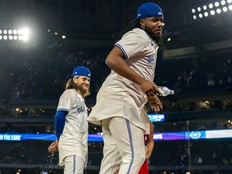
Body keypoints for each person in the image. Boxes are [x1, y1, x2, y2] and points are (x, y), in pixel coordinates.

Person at [87, 2, 164, 174]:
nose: (159, 24)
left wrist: (149, 94)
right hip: (121, 100)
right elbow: (112, 59)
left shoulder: (149, 42)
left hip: (115, 101)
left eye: (161, 21)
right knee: (135, 155)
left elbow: (139, 72)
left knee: (113, 162)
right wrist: (142, 82)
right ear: (142, 22)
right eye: (154, 20)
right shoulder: (139, 35)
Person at [48, 66, 91, 174]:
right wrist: (58, 139)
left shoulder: (82, 101)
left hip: (79, 148)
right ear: (75, 79)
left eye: (89, 80)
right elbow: (59, 117)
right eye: (84, 79)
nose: (87, 82)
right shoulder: (70, 93)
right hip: (73, 146)